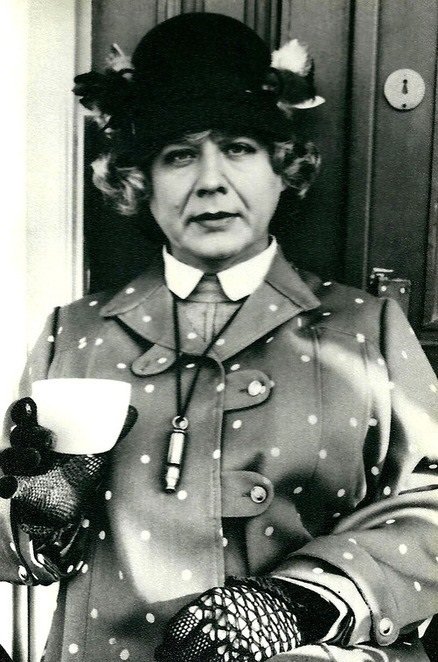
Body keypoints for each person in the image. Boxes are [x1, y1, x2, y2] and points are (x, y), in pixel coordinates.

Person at [0, 12, 437, 662]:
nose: (210, 180)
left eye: (238, 147)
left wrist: (299, 601)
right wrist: (35, 512)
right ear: (140, 180)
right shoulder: (76, 332)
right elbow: (14, 550)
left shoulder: (364, 327)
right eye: (179, 154)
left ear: (282, 167)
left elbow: (432, 507)